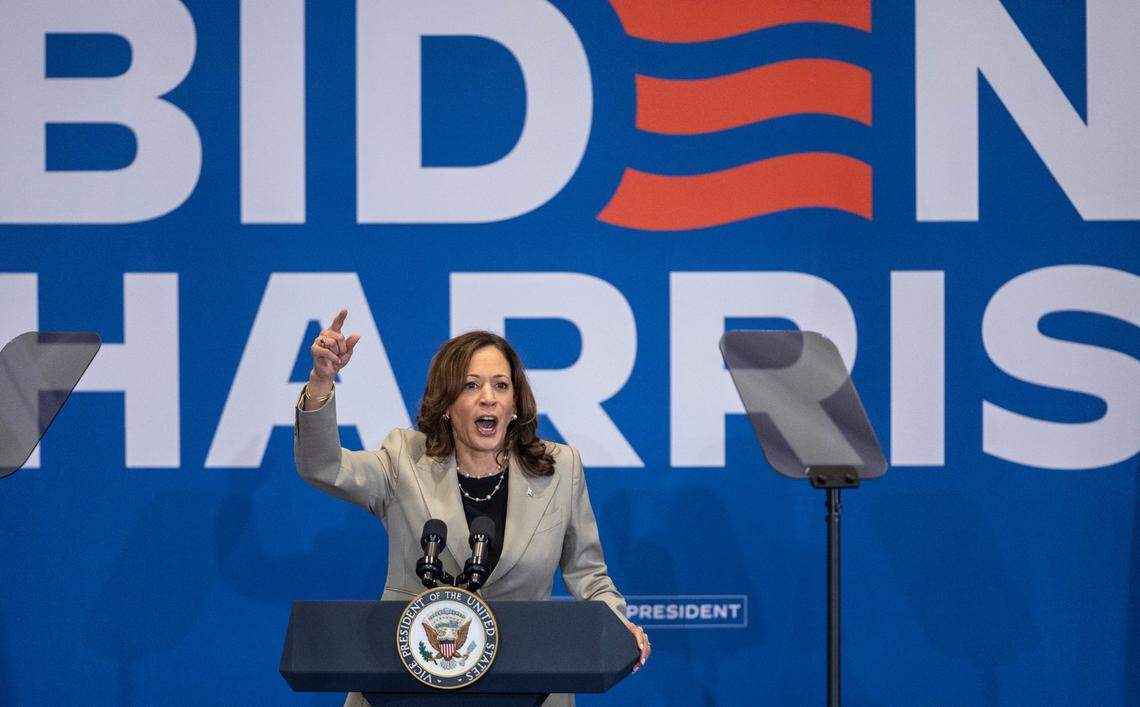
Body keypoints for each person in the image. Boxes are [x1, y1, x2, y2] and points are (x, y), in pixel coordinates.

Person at [294, 309, 650, 706]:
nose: (489, 397)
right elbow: (323, 467)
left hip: (528, 684)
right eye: (471, 386)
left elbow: (589, 574)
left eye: (501, 385)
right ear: (446, 404)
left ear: (515, 402)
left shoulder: (559, 469)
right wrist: (322, 380)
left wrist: (619, 626)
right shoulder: (403, 459)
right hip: (408, 686)